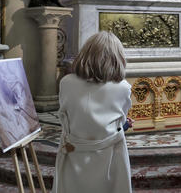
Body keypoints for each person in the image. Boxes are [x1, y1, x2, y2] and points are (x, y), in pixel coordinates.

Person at [52, 31, 133, 193]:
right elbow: (117, 123)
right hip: (109, 157)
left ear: (86, 53)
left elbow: (67, 115)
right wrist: (123, 125)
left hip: (74, 153)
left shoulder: (66, 83)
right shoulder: (123, 88)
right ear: (118, 57)